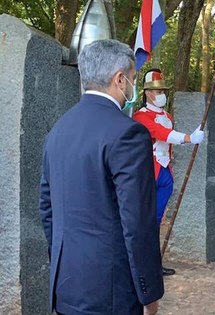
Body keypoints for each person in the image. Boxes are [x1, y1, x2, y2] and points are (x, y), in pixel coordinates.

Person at [39, 40, 163, 315]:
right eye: (132, 78)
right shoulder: (128, 133)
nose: (132, 85)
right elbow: (137, 221)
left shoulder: (58, 131)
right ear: (119, 79)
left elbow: (47, 210)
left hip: (66, 282)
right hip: (111, 288)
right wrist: (149, 290)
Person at [133, 69, 205, 276]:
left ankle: (153, 263)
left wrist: (186, 140)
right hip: (148, 172)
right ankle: (140, 264)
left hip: (165, 172)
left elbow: (169, 141)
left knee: (156, 219)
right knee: (144, 219)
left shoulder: (168, 116)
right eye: (157, 91)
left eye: (163, 90)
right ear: (147, 93)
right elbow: (160, 133)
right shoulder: (141, 116)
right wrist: (189, 138)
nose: (161, 94)